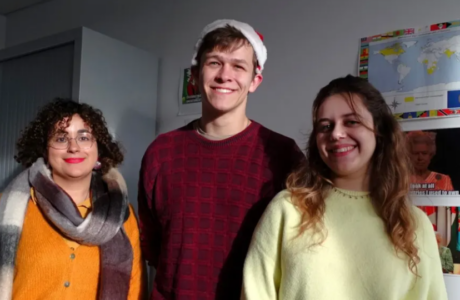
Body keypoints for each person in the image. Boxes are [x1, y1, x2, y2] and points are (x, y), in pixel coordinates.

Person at [138, 19, 304, 300]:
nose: (225, 75)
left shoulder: (282, 155)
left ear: (254, 81)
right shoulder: (161, 152)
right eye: (214, 62)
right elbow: (150, 242)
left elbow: (296, 249)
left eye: (238, 66)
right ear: (195, 74)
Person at [241, 75, 447, 299]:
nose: (336, 134)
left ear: (379, 131)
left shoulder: (414, 223)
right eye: (325, 126)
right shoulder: (287, 209)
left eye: (351, 122)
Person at [0, 99, 145, 300]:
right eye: (61, 138)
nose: (73, 147)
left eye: (84, 138)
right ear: (44, 150)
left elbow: (135, 289)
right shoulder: (9, 209)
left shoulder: (122, 215)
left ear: (98, 150)